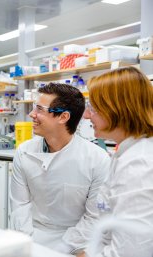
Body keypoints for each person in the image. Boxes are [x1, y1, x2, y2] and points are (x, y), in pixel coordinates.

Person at [10, 82, 110, 254]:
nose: (31, 114)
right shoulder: (24, 152)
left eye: (40, 109)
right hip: (32, 234)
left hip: (78, 241)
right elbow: (19, 206)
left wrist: (65, 248)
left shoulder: (97, 159)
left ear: (63, 117)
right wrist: (26, 244)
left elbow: (94, 216)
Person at [77, 67, 153, 257]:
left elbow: (132, 251)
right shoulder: (128, 152)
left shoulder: (138, 164)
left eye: (93, 108)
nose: (86, 115)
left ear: (117, 109)